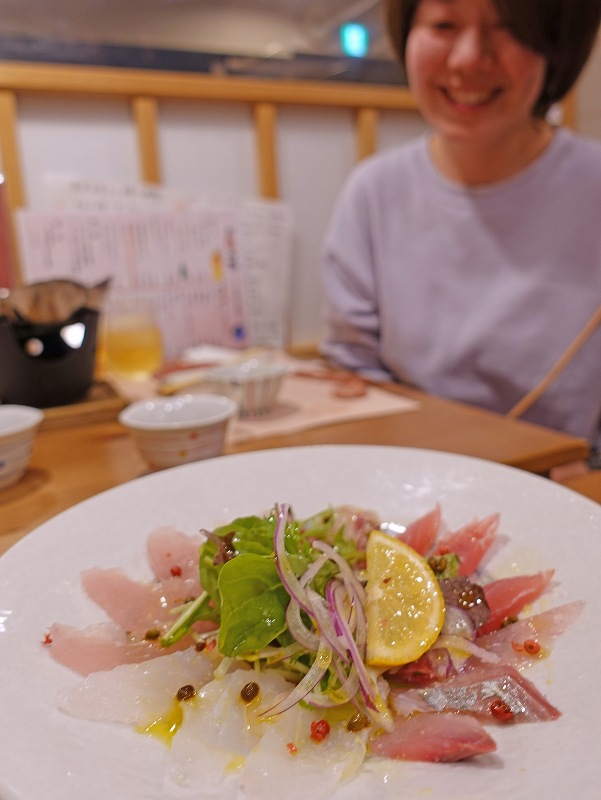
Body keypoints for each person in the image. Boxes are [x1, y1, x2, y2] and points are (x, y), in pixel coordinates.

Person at [320, 0, 601, 447]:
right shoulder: (374, 191)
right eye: (444, 24)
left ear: (556, 45)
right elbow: (353, 374)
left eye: (507, 27)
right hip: (408, 476)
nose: (468, 58)